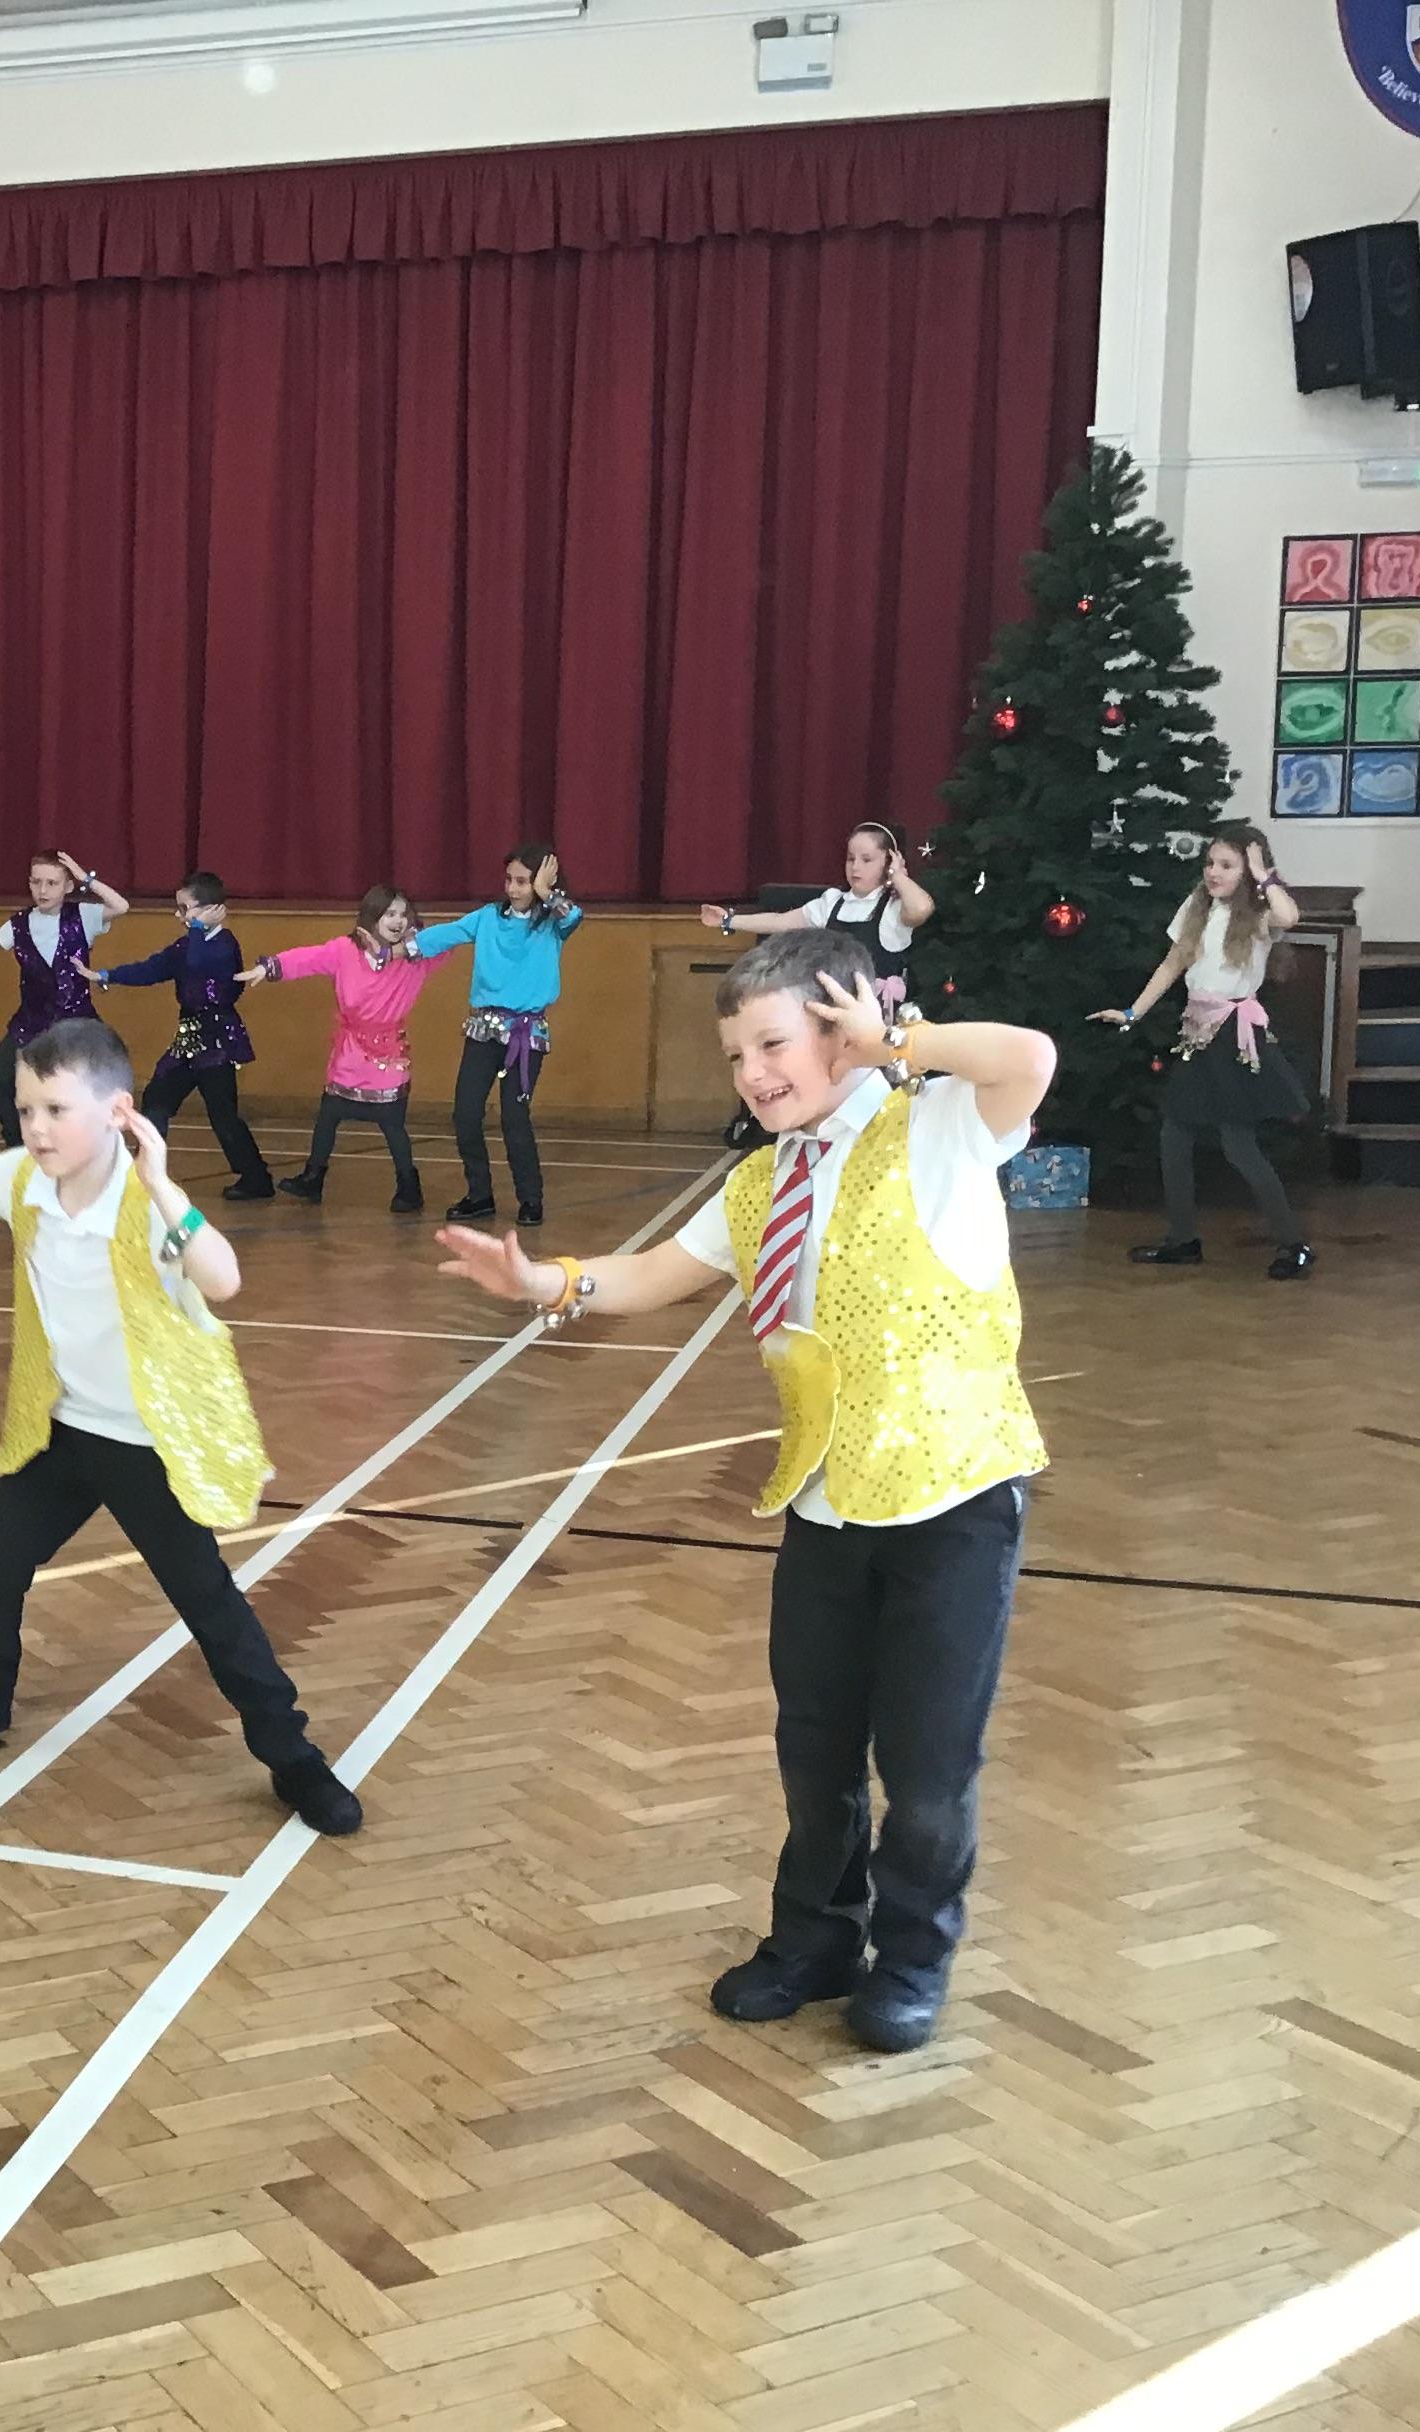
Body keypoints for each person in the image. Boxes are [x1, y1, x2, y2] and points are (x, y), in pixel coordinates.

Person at [437, 927, 1055, 2055]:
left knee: (927, 1771)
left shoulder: (941, 1129)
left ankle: (912, 1957)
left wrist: (898, 1043)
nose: (753, 1073)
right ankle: (815, 1938)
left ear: (844, 1028)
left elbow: (1030, 1057)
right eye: (736, 1055)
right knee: (815, 1753)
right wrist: (548, 1282)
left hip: (955, 1504)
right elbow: (654, 1275)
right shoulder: (762, 1181)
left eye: (774, 1044)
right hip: (824, 1504)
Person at [0, 1020, 363, 1837]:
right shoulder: (23, 1181)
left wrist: (165, 1185)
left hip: (147, 1441)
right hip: (63, 1427)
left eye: (55, 1110)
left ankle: (294, 1758)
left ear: (116, 1112)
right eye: (26, 1110)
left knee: (208, 1603)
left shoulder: (147, 1204)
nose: (36, 1128)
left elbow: (224, 1280)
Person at [1093, 822, 1315, 1280]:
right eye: (1210, 863)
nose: (1214, 872)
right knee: (1174, 1135)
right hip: (1197, 1033)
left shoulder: (1258, 912)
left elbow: (1290, 917)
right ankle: (1182, 1240)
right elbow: (1173, 962)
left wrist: (1263, 875)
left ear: (1248, 870)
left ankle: (1294, 1244)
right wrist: (1133, 1012)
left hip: (1232, 1036)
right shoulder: (1197, 906)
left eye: (1227, 865)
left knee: (1238, 1145)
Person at [702, 823, 937, 1149]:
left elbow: (923, 908)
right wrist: (729, 920)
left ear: (889, 862)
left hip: (876, 1020)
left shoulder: (894, 911)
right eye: (851, 858)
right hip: (827, 1018)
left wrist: (898, 876)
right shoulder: (832, 903)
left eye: (867, 859)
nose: (855, 867)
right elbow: (780, 922)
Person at [414, 844, 583, 1225]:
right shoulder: (489, 917)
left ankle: (531, 1198)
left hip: (525, 1035)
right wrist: (400, 947)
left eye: (522, 881)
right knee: (465, 1114)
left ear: (541, 882)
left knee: (514, 1118)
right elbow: (447, 935)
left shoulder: (553, 923)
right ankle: (479, 1194)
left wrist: (545, 892)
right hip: (483, 1031)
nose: (513, 888)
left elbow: (573, 916)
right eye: (509, 880)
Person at [236, 886, 433, 1212]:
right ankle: (313, 1178)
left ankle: (409, 1188)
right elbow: (308, 958)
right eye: (390, 914)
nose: (397, 921)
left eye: (403, 914)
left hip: (388, 1056)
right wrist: (268, 967)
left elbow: (448, 941)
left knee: (392, 1125)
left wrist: (412, 945)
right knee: (329, 1114)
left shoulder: (417, 958)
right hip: (350, 1053)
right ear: (371, 916)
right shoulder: (345, 950)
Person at [0, 850, 130, 1146]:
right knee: (0, 1076)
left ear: (68, 886)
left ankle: (83, 1147)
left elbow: (121, 906)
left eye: (52, 883)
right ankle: (18, 1146)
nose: (42, 890)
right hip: (32, 1022)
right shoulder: (19, 924)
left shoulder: (83, 915)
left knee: (74, 1089)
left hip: (76, 1024)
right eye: (36, 882)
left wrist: (85, 878)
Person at [92, 870, 273, 1202]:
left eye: (184, 908)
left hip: (216, 1043)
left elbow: (199, 963)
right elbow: (153, 968)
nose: (178, 915)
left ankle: (256, 1178)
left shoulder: (224, 944)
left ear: (210, 910)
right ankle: (148, 1170)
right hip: (188, 1040)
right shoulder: (186, 944)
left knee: (223, 1115)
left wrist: (199, 929)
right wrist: (107, 975)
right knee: (156, 1100)